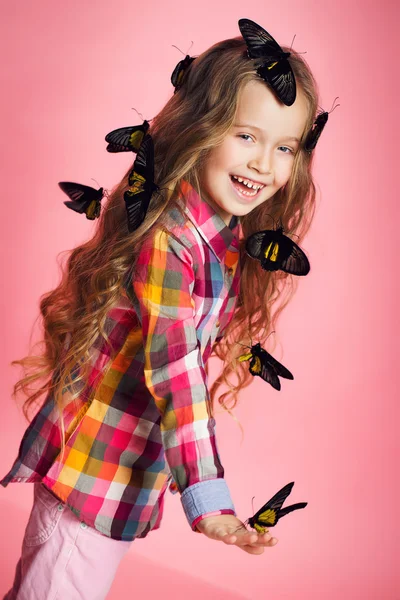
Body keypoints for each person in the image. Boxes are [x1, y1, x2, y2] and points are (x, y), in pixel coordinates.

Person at [1, 20, 321, 600]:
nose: (264, 163)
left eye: (285, 147)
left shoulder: (221, 237)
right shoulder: (170, 238)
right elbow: (176, 370)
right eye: (246, 136)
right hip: (89, 474)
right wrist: (208, 499)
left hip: (116, 473)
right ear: (202, 129)